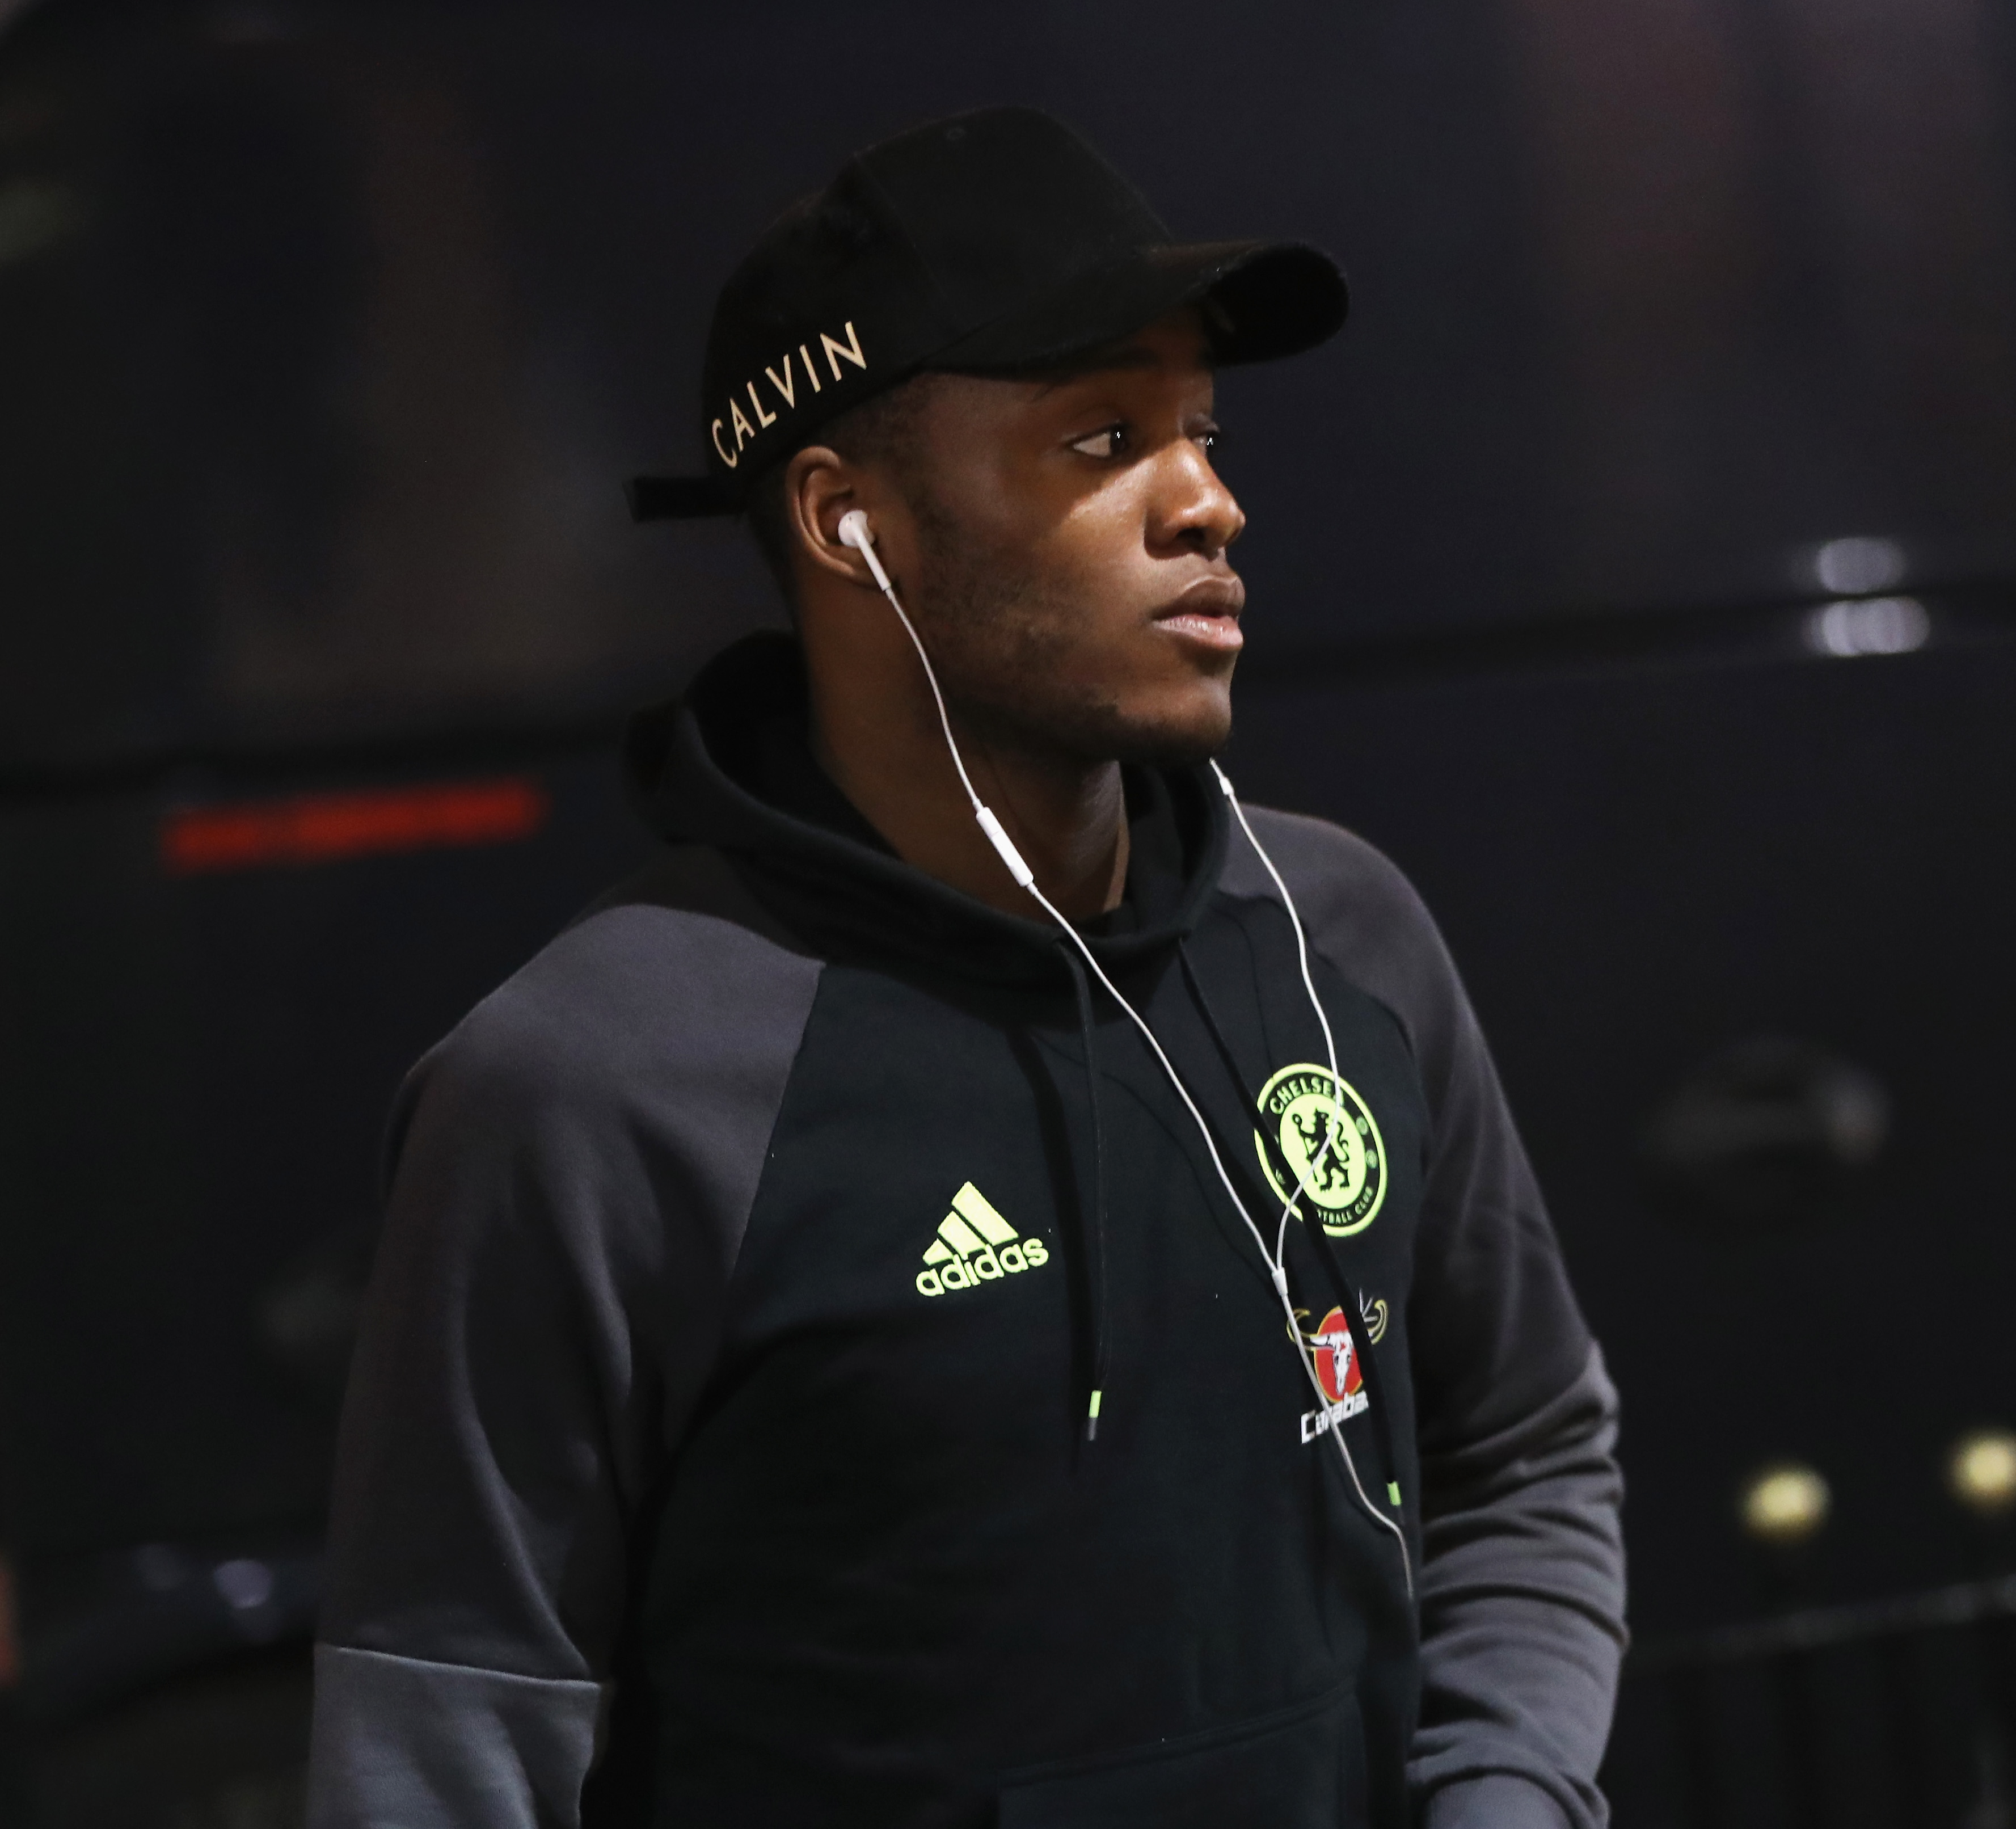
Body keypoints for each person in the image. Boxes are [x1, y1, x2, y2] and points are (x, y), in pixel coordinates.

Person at [305, 106, 1624, 1829]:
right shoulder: (590, 1082)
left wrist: (1506, 1800)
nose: (1210, 504)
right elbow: (446, 1737)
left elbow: (1525, 1452)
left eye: (1202, 432)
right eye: (1103, 438)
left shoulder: (1339, 936)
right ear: (851, 524)